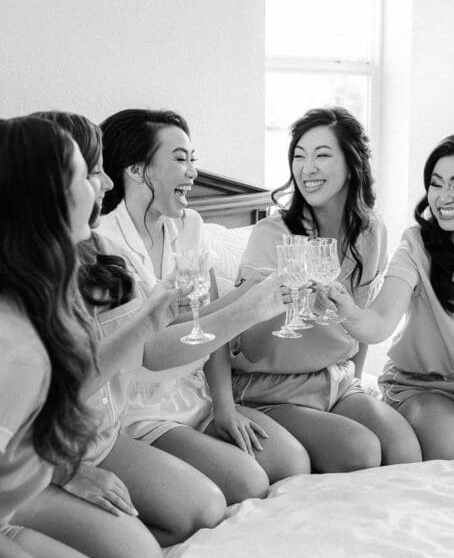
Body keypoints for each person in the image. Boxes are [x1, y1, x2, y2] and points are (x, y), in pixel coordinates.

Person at [96, 109, 309, 505]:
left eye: (194, 158)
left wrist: (225, 407)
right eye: (180, 158)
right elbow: (151, 352)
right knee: (247, 483)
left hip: (195, 393)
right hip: (142, 405)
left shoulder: (190, 225)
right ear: (139, 170)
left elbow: (205, 325)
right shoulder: (105, 244)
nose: (193, 171)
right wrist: (246, 308)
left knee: (292, 463)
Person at [0, 115, 138, 558]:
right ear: (47, 198)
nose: (102, 185)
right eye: (87, 174)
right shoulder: (15, 349)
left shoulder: (44, 304)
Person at [232, 107, 421, 471]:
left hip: (333, 379)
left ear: (351, 164)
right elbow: (247, 346)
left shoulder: (371, 232)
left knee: (405, 451)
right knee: (361, 452)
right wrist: (277, 297)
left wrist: (356, 380)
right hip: (269, 386)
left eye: (322, 155)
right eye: (299, 157)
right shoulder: (271, 236)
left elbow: (363, 323)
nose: (307, 168)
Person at [322, 133, 454, 461]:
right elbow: (380, 321)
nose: (443, 197)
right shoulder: (416, 245)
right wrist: (348, 311)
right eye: (436, 184)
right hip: (420, 387)